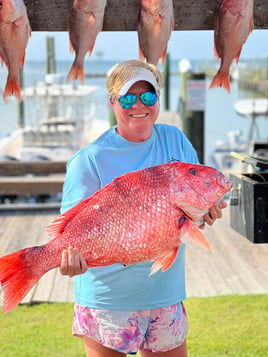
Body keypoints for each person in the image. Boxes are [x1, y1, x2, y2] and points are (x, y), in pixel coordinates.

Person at [59, 59, 227, 357]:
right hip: (107, 301)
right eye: (127, 97)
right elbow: (69, 234)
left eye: (148, 96)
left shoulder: (174, 139)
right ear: (113, 102)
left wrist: (206, 214)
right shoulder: (90, 160)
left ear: (158, 100)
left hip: (164, 295)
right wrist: (66, 258)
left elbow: (187, 215)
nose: (139, 105)